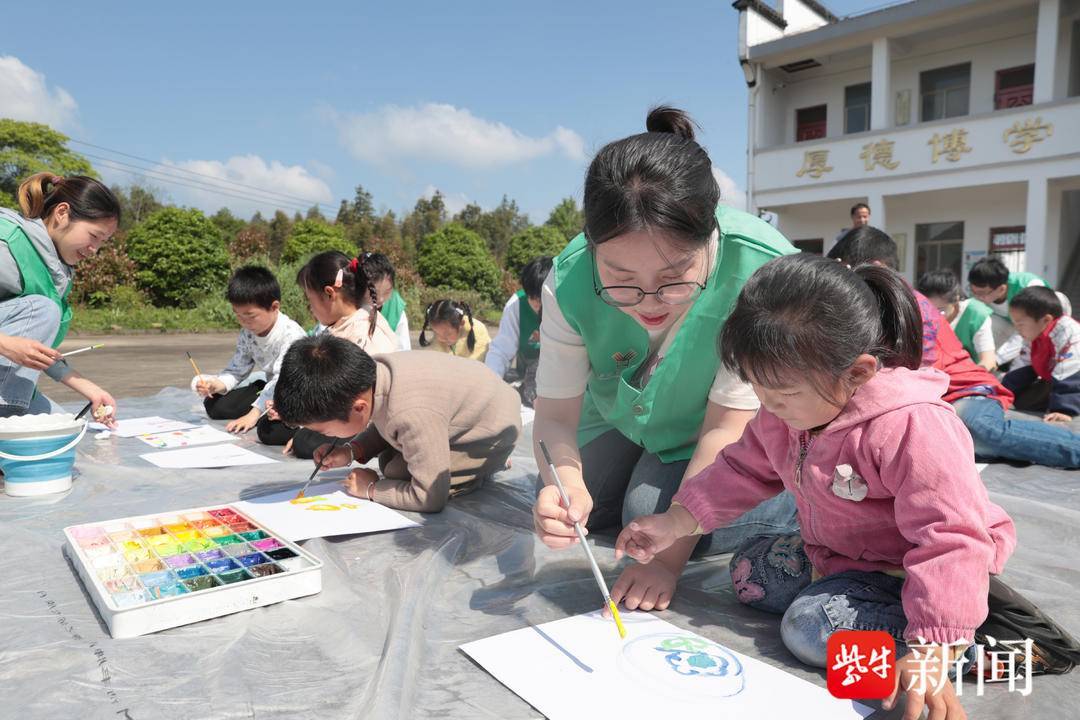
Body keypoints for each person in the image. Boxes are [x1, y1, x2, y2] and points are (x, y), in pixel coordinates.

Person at [615, 254, 1016, 720]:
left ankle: (962, 645)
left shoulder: (913, 426)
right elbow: (741, 470)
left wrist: (934, 647)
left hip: (918, 567)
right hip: (842, 555)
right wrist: (676, 521)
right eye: (759, 390)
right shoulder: (787, 413)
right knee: (749, 571)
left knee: (808, 628)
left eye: (782, 394)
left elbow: (951, 538)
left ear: (858, 373)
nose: (768, 406)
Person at [531, 106, 799, 614]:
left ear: (710, 237)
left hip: (745, 435)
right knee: (583, 504)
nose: (649, 301)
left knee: (647, 514)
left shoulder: (760, 273)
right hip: (640, 426)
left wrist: (664, 564)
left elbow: (725, 428)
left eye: (675, 278)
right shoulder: (568, 280)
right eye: (621, 280)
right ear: (591, 248)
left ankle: (802, 504)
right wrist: (562, 487)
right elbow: (555, 416)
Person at [830, 226, 1080, 468]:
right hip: (927, 399)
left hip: (962, 391)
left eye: (847, 269)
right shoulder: (863, 308)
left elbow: (917, 369)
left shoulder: (908, 305)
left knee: (979, 429)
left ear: (876, 267)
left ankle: (1074, 448)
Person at [273, 334, 521, 512]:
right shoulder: (376, 373)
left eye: (324, 430)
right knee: (394, 463)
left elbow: (429, 498)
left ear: (358, 407)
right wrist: (350, 451)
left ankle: (485, 467)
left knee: (396, 472)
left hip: (490, 434)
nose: (325, 436)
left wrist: (372, 489)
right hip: (465, 411)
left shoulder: (411, 412)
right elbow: (384, 418)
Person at [0, 173, 120, 424]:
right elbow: (14, 346)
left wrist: (91, 390)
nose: (94, 250)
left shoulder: (55, 268)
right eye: (94, 236)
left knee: (65, 429)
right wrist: (6, 345)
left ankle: (11, 419)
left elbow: (34, 352)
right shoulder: (7, 243)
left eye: (103, 242)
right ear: (62, 213)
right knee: (43, 309)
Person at [259, 251, 398, 458]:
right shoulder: (339, 325)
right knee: (268, 427)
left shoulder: (362, 332)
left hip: (364, 420)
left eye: (310, 300)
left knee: (305, 442)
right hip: (340, 409)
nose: (310, 308)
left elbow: (358, 400)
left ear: (329, 293)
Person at [191, 266, 305, 435]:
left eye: (250, 316)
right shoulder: (248, 333)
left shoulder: (292, 336)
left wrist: (253, 415)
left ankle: (262, 408)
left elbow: (283, 380)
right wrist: (216, 384)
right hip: (269, 388)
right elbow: (237, 369)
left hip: (292, 392)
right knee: (213, 405)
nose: (244, 323)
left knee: (269, 432)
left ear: (274, 307)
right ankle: (260, 395)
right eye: (238, 315)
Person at [967, 256, 1072, 365]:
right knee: (983, 323)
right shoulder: (979, 296)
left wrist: (997, 360)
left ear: (1001, 289)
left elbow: (1029, 328)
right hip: (1017, 328)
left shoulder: (1028, 286)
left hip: (1039, 327)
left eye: (982, 293)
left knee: (1058, 298)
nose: (977, 297)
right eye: (973, 291)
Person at [1003, 286, 1080, 420]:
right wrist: (1002, 392)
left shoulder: (1068, 331)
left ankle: (1069, 406)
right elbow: (1022, 365)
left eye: (1020, 324)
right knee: (1022, 402)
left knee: (1062, 401)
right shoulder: (1033, 335)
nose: (1017, 329)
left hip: (1074, 377)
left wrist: (1064, 410)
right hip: (1053, 379)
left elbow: (1069, 369)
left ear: (1046, 320)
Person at [485, 256, 552, 407]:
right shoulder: (516, 304)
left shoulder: (566, 304)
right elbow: (501, 349)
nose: (535, 303)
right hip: (528, 374)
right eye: (531, 297)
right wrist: (490, 383)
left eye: (540, 297)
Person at [916, 269, 996, 370]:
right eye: (927, 309)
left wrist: (971, 379)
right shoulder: (919, 315)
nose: (933, 316)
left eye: (940, 310)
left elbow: (988, 361)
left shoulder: (975, 314)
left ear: (956, 300)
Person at [418, 299, 491, 361]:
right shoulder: (438, 342)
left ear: (461, 324)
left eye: (447, 334)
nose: (441, 338)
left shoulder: (478, 332)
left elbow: (475, 365)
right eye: (436, 333)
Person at [366, 252, 411, 351]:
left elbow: (403, 350)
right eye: (375, 293)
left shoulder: (395, 309)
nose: (381, 299)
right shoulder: (348, 303)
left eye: (387, 292)